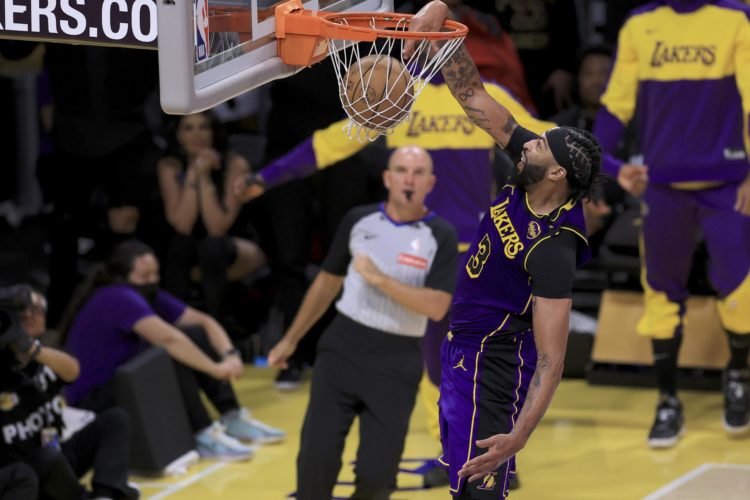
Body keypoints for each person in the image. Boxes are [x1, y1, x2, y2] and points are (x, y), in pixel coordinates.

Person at [405, 2, 602, 497]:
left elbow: (553, 359)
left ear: (556, 174)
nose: (527, 143)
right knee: (461, 485)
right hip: (462, 349)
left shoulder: (555, 248)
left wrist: (521, 433)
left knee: (476, 491)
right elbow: (472, 94)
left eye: (541, 146)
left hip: (494, 367)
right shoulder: (528, 165)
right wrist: (441, 24)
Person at [592, 0, 750, 448]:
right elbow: (615, 104)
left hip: (729, 184)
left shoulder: (737, 17)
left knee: (742, 293)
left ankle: (738, 374)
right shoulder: (640, 23)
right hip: (660, 186)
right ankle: (668, 400)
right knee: (660, 294)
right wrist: (600, 164)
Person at [267, 146, 459, 500]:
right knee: (316, 460)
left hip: (396, 361)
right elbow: (326, 282)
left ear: (430, 182)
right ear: (387, 178)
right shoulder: (359, 221)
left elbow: (436, 306)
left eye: (418, 173)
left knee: (376, 476)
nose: (409, 179)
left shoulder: (440, 235)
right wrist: (290, 340)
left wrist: (381, 279)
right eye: (401, 170)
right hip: (342, 347)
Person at [63, 240, 284, 460]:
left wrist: (230, 355)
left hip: (122, 384)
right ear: (122, 276)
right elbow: (169, 339)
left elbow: (205, 323)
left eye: (155, 274)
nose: (152, 281)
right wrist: (215, 369)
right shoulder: (116, 296)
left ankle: (231, 416)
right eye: (144, 276)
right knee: (167, 350)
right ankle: (202, 432)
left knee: (194, 334)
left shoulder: (146, 295)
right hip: (92, 401)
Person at [0, 285, 139, 499]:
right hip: (25, 475)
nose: (38, 314)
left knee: (115, 420)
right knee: (47, 458)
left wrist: (29, 347)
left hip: (57, 453)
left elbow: (72, 371)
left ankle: (105, 494)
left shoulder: (42, 353)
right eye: (33, 308)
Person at [157, 111, 266, 322]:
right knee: (181, 244)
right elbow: (183, 225)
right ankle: (173, 326)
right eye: (188, 128)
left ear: (213, 131)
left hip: (234, 243)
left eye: (203, 127)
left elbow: (217, 227)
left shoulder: (235, 164)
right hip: (187, 247)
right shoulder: (169, 166)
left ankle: (219, 327)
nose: (197, 134)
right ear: (178, 135)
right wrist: (192, 173)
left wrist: (205, 177)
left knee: (211, 247)